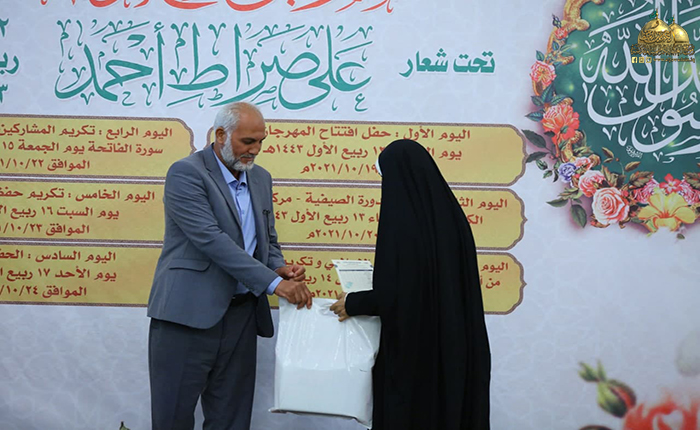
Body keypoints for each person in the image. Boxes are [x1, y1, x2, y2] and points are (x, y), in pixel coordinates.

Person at [147, 102, 312, 430]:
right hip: (187, 316)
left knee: (232, 420)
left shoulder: (260, 178)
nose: (256, 150)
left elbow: (267, 239)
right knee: (173, 418)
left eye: (261, 141)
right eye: (248, 141)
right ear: (220, 135)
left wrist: (278, 267)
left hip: (241, 317)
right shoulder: (186, 173)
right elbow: (211, 240)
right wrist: (273, 283)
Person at [330, 139, 491, 430]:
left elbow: (397, 294)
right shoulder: (453, 220)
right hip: (454, 345)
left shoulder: (403, 226)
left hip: (416, 354)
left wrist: (353, 302)